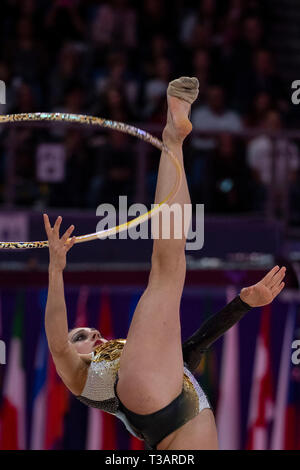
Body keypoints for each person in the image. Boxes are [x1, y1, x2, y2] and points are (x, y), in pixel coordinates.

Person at [43, 77, 286, 450]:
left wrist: (56, 271)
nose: (91, 334)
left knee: (168, 268)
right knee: (169, 267)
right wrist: (244, 305)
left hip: (150, 398)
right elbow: (59, 343)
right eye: (82, 337)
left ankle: (173, 138)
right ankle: (173, 139)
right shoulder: (81, 373)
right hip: (174, 420)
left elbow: (186, 353)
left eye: (88, 331)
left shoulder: (118, 363)